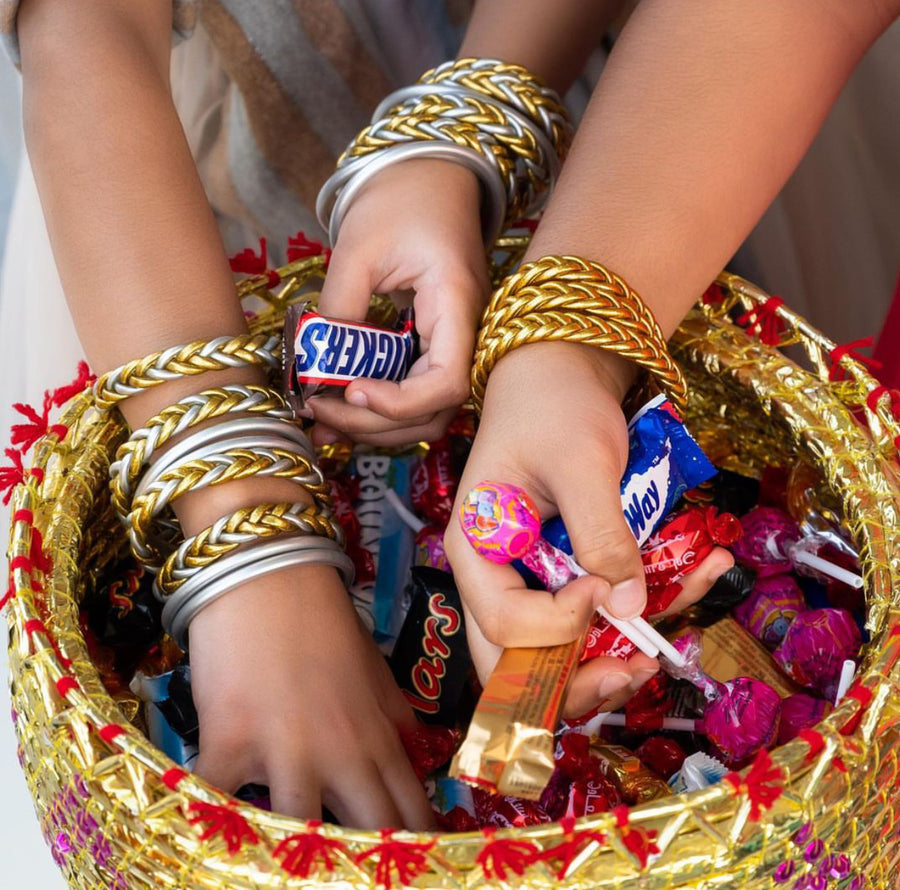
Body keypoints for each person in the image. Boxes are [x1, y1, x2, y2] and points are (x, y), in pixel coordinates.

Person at [6, 0, 899, 832]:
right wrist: (244, 548)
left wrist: (476, 137)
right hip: (161, 245)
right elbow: (83, 21)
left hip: (676, 129)